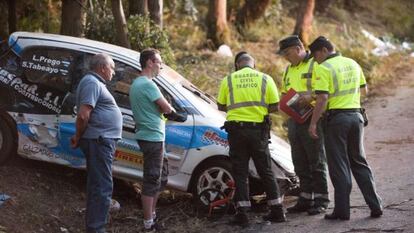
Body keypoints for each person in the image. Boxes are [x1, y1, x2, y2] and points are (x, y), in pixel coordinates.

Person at [308, 36, 383, 220]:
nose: (315, 59)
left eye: (315, 55)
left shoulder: (324, 68)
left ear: (324, 50)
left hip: (337, 120)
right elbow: (364, 90)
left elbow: (322, 98)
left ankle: (342, 211)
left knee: (339, 165)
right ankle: (376, 205)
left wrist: (313, 123)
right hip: (356, 117)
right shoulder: (353, 63)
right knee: (359, 161)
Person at [217, 51, 286, 227]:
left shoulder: (229, 80)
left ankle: (243, 215)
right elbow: (275, 106)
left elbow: (220, 105)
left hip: (237, 132)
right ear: (253, 65)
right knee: (266, 170)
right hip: (258, 132)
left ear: (237, 65)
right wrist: (258, 110)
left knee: (240, 172)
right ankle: (277, 210)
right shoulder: (265, 79)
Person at [276, 35, 329, 215]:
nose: (285, 56)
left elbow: (326, 90)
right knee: (299, 160)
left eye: (287, 52)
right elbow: (285, 93)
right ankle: (306, 198)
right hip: (294, 120)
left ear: (298, 48)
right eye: (283, 54)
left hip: (313, 117)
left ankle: (322, 199)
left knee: (316, 160)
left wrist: (311, 96)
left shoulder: (316, 64)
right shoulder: (288, 70)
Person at [71, 53, 122, 233]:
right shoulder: (92, 82)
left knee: (98, 185)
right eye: (112, 67)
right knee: (102, 186)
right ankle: (96, 229)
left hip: (100, 140)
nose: (113, 72)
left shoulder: (95, 83)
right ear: (102, 67)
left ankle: (95, 227)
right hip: (98, 140)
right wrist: (78, 136)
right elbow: (83, 115)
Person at [129, 48, 174, 231]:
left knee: (160, 176)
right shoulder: (148, 84)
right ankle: (148, 223)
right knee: (152, 178)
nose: (161, 66)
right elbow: (166, 108)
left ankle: (152, 216)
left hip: (151, 135)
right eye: (159, 62)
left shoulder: (137, 83)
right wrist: (170, 108)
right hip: (152, 136)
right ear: (149, 63)